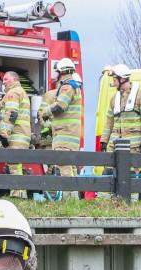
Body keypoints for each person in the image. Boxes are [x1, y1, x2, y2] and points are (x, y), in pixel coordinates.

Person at [41, 58, 82, 191]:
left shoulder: (67, 87)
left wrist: (45, 112)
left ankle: (69, 197)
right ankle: (74, 198)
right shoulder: (74, 86)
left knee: (64, 165)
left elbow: (59, 107)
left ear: (62, 72)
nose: (55, 74)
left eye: (57, 71)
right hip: (71, 134)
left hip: (64, 133)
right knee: (71, 166)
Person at [101, 64, 141, 154]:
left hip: (133, 147)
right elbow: (109, 122)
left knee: (130, 169)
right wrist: (104, 141)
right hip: (114, 147)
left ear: (122, 79)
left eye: (115, 80)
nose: (114, 83)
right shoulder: (114, 99)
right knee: (108, 168)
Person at [0, 72, 32, 199]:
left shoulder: (13, 93)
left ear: (15, 79)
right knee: (16, 165)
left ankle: (18, 195)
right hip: (22, 134)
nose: (3, 81)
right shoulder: (20, 92)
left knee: (14, 165)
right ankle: (19, 194)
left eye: (6, 79)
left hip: (16, 135)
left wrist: (4, 135)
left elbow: (11, 115)